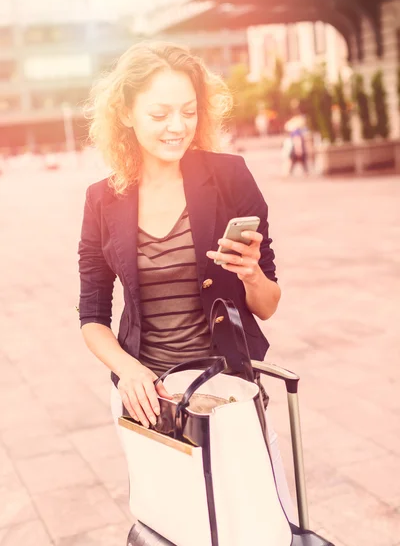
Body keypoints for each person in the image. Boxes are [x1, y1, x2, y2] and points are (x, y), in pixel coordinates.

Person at [78, 41, 295, 522]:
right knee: (176, 523)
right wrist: (129, 369)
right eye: (159, 114)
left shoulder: (229, 177)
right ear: (127, 114)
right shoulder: (102, 201)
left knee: (253, 521)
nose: (177, 126)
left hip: (226, 390)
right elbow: (91, 317)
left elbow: (269, 303)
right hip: (149, 398)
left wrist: (250, 272)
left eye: (188, 112)